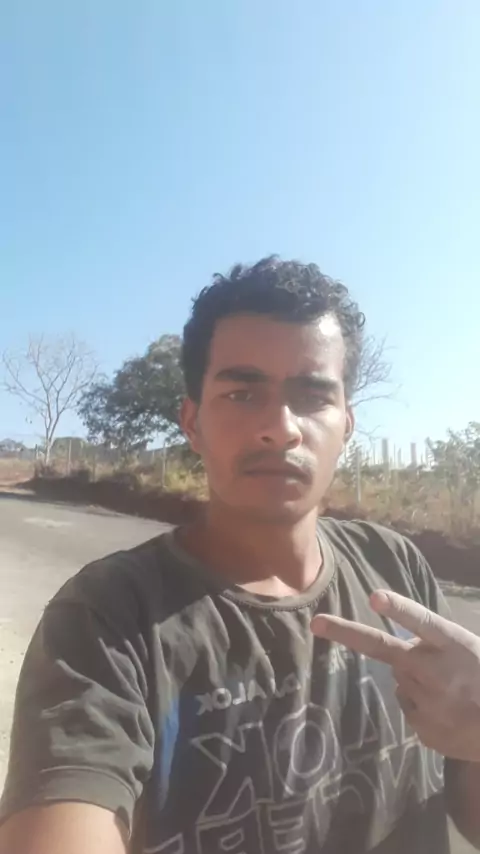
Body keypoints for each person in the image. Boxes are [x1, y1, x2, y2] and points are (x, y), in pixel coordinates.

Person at [0, 257, 479, 854]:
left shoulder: (395, 566)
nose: (280, 428)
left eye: (313, 396)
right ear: (192, 422)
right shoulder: (107, 618)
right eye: (242, 392)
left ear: (347, 425)